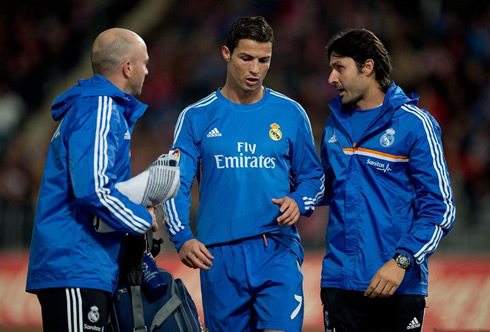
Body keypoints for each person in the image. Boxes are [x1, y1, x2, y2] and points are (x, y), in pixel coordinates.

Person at [164, 16, 324, 332]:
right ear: (227, 53)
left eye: (264, 60)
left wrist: (299, 200)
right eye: (246, 58)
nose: (255, 69)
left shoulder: (290, 114)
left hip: (276, 249)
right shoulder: (197, 116)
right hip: (219, 256)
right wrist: (181, 236)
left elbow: (313, 177)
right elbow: (176, 181)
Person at [319, 28, 456, 332]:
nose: (331, 78)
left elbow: (441, 208)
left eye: (339, 67)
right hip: (340, 283)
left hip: (398, 285)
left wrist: (402, 261)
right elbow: (323, 186)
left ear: (367, 67)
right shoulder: (334, 124)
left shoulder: (414, 124)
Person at [26, 28, 158, 331]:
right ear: (127, 67)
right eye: (144, 63)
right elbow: (95, 189)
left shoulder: (96, 108)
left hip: (85, 263)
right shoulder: (100, 108)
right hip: (76, 261)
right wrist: (140, 219)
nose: (147, 71)